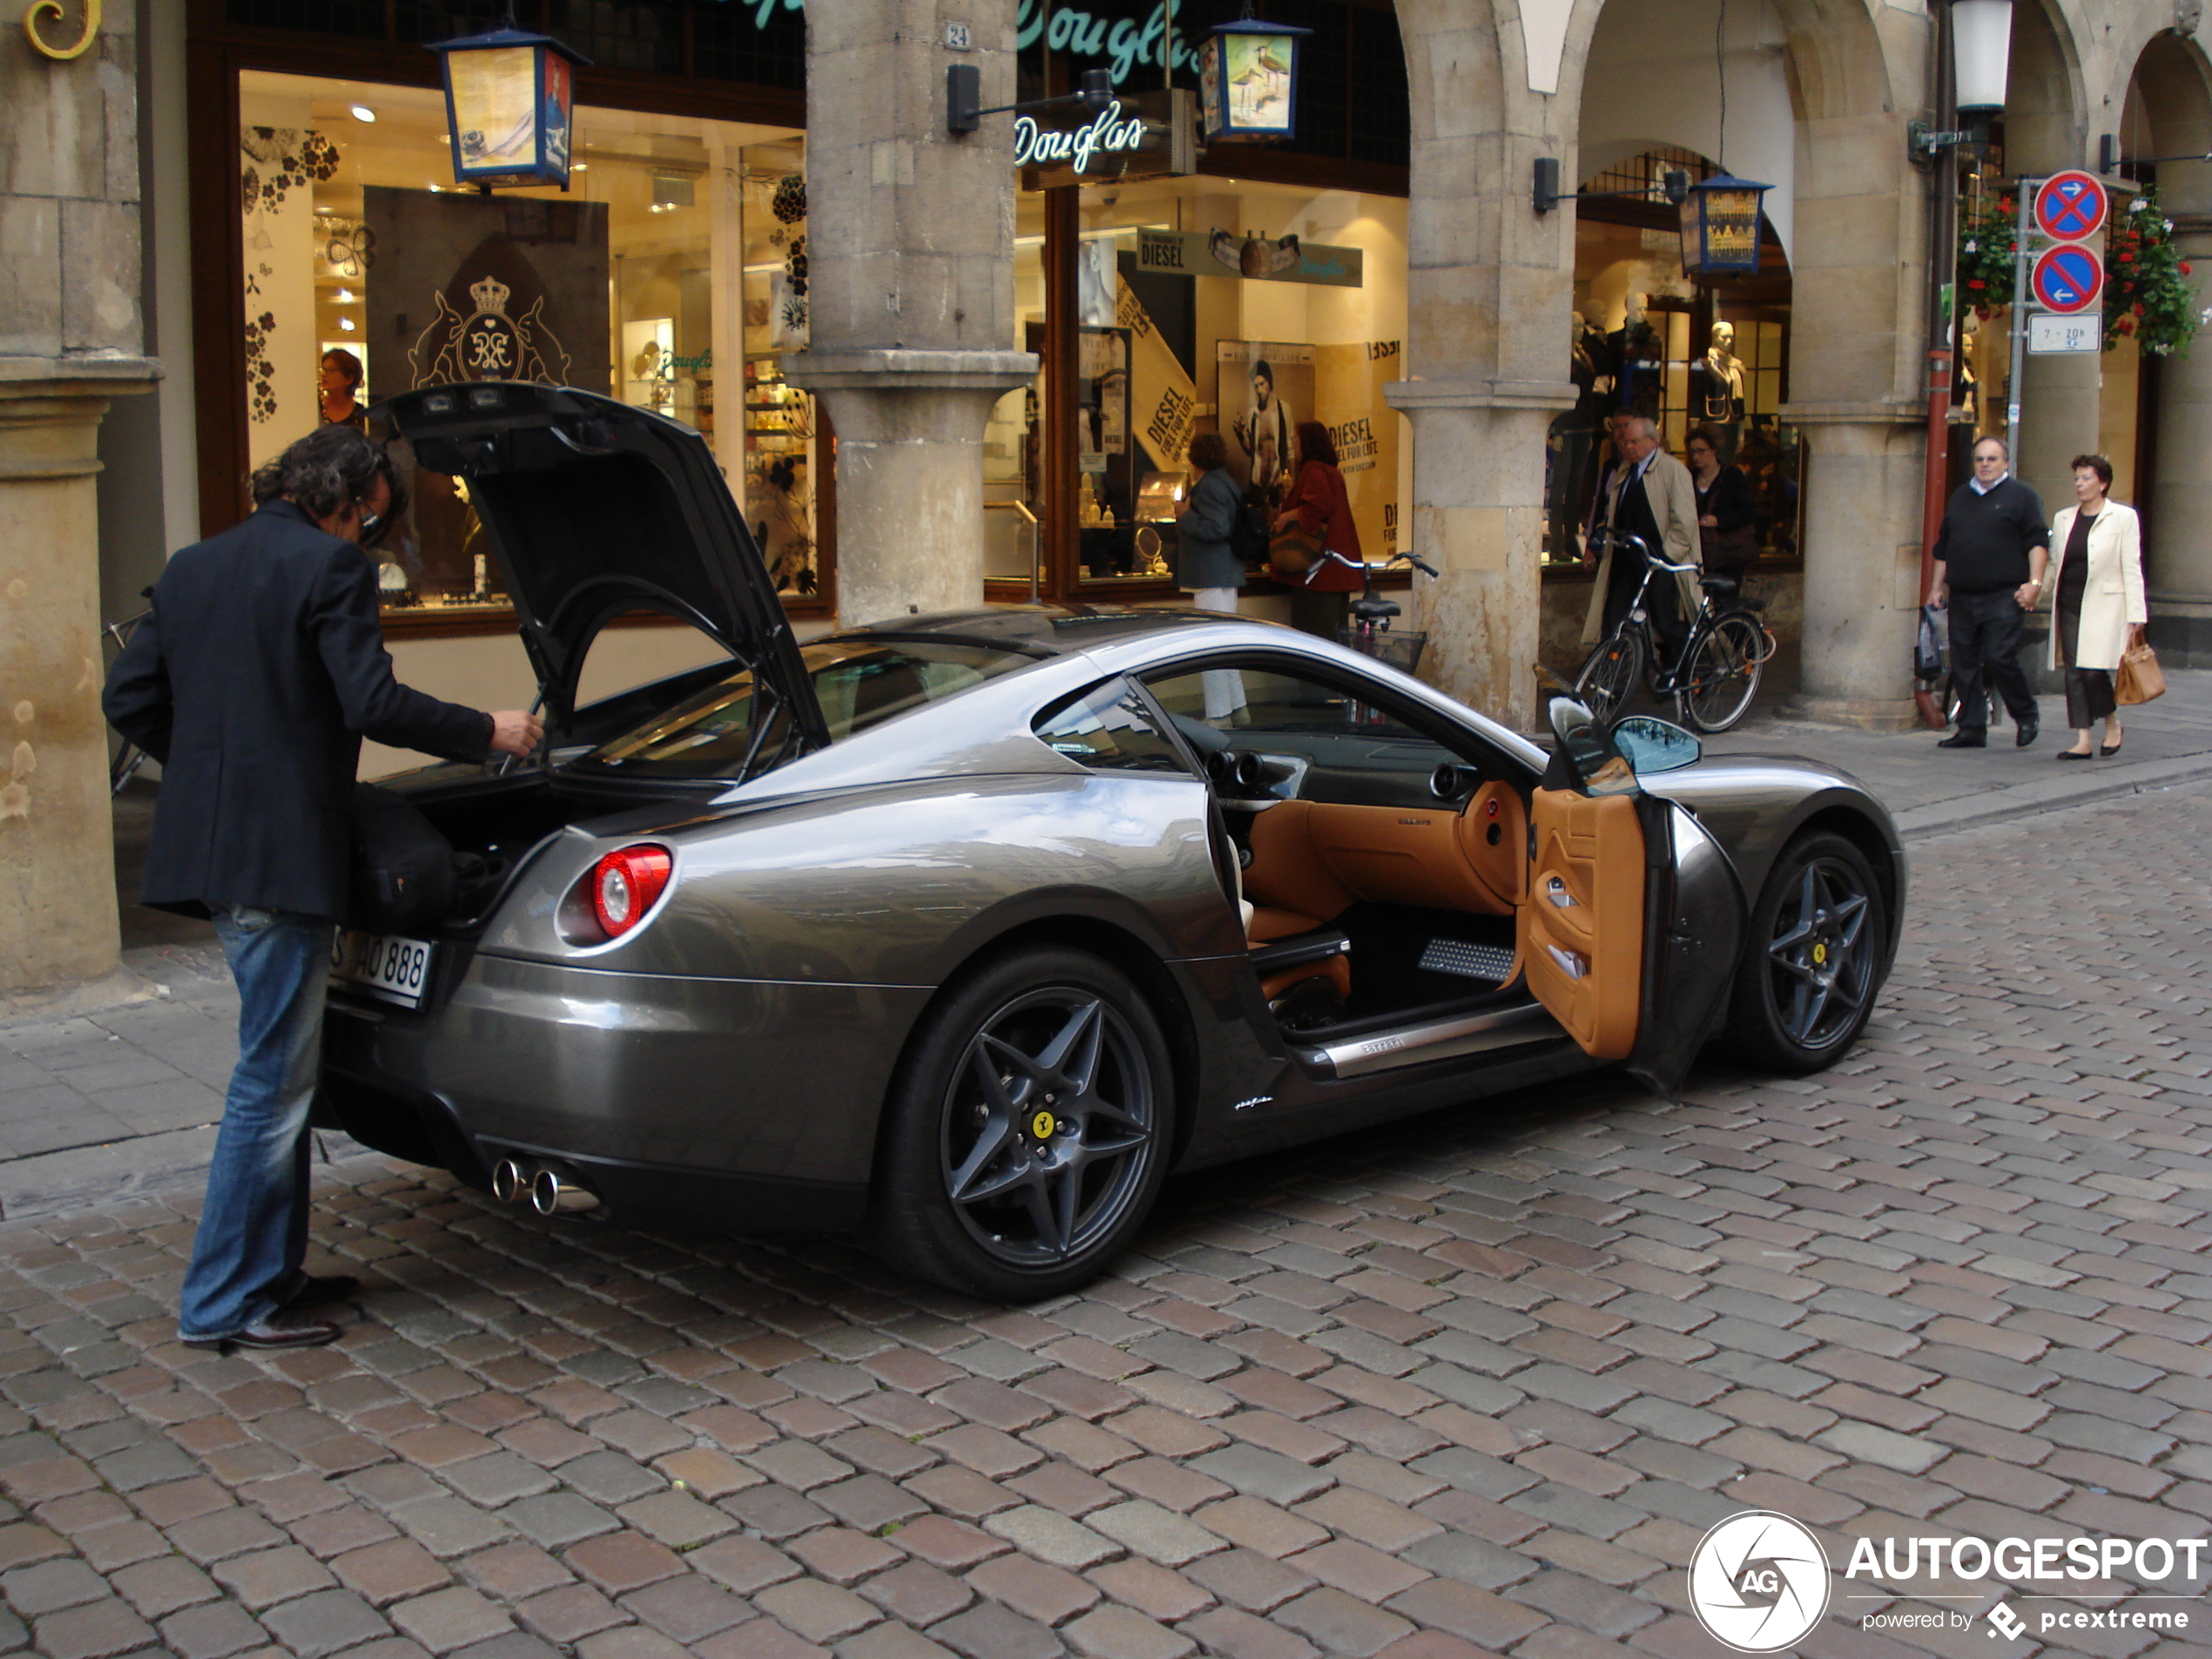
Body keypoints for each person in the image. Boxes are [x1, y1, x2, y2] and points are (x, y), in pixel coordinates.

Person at [104, 425, 543, 1352]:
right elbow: (372, 704)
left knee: (283, 1074)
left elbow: (129, 700)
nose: (369, 541)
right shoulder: (329, 571)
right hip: (278, 861)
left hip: (221, 856)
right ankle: (224, 1301)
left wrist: (219, 770)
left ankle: (270, 1274)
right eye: (372, 525)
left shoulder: (192, 566)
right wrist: (489, 731)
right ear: (347, 504)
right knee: (270, 1085)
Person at [1928, 435, 2047, 749]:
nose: (1984, 465)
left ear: (2005, 463)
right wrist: (1935, 588)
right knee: (1964, 663)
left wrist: (2034, 584)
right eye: (1979, 459)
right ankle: (1971, 727)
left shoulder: (2022, 496)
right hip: (1964, 594)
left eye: (1992, 459)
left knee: (1998, 656)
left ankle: (2026, 714)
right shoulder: (1960, 498)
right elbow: (1944, 548)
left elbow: (2037, 543)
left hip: (2004, 594)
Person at [2045, 453, 2148, 759]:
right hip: (2070, 603)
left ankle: (2112, 722)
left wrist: (2137, 613)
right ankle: (2083, 738)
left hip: (2106, 604)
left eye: (2086, 478)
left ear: (2102, 484)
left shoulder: (2123, 517)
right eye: (2076, 478)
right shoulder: (2063, 518)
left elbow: (2131, 565)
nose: (2079, 484)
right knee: (2074, 672)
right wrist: (2035, 588)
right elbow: (2054, 562)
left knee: (2094, 672)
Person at [1581, 415, 1700, 664]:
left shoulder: (1672, 470)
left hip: (1659, 560)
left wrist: (1667, 557)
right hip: (1625, 558)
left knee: (1664, 620)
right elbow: (1613, 513)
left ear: (1653, 441)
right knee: (1614, 619)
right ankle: (1611, 682)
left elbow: (1685, 522)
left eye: (1635, 442)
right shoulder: (1625, 470)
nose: (1628, 447)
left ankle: (1699, 663)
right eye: (1625, 443)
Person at [1173, 432, 1250, 720]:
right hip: (1225, 574)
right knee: (1226, 649)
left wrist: (1184, 514)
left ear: (1195, 457)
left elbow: (1216, 528)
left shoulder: (1208, 487)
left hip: (1210, 575)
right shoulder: (1226, 482)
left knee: (1212, 649)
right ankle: (1238, 710)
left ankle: (1218, 715)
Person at [1273, 420, 1364, 639]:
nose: (1293, 444)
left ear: (1307, 442)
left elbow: (1319, 504)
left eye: (1296, 439)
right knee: (1337, 638)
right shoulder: (1331, 471)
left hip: (1319, 573)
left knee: (1313, 638)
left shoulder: (1314, 471)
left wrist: (1287, 516)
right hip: (1336, 570)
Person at [1686, 424, 1757, 580]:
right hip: (1696, 552)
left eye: (1701, 451)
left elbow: (1748, 512)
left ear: (1714, 449)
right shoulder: (1688, 477)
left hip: (1726, 554)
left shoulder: (1732, 476)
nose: (1696, 456)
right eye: (1693, 451)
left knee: (1725, 599)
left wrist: (1719, 521)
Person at [1232, 360, 1295, 507]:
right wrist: (1240, 434)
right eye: (1256, 386)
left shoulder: (1283, 410)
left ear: (1270, 382)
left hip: (1277, 484)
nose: (1259, 390)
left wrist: (1292, 485)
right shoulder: (1252, 414)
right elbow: (1251, 451)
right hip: (1257, 484)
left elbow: (1290, 449)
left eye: (1262, 384)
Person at [320, 348, 367, 430]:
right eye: (323, 370)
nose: (324, 375)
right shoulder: (316, 408)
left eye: (330, 370)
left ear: (349, 379)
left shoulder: (361, 414)